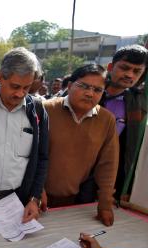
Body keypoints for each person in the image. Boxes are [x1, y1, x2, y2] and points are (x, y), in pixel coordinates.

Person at [0, 47, 48, 223]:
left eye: (26, 87)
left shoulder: (36, 109)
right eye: (15, 86)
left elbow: (42, 158)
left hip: (18, 200)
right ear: (0, 77)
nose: (20, 94)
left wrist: (34, 198)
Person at [43, 64, 119, 226]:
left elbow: (108, 165)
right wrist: (35, 191)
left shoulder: (106, 120)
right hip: (34, 199)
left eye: (97, 90)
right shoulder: (46, 109)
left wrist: (105, 204)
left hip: (75, 201)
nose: (90, 93)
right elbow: (28, 156)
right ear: (70, 86)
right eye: (84, 86)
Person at [100, 45, 148, 201]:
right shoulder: (89, 92)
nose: (129, 75)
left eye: (137, 71)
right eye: (125, 68)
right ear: (110, 67)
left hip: (112, 174)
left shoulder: (137, 100)